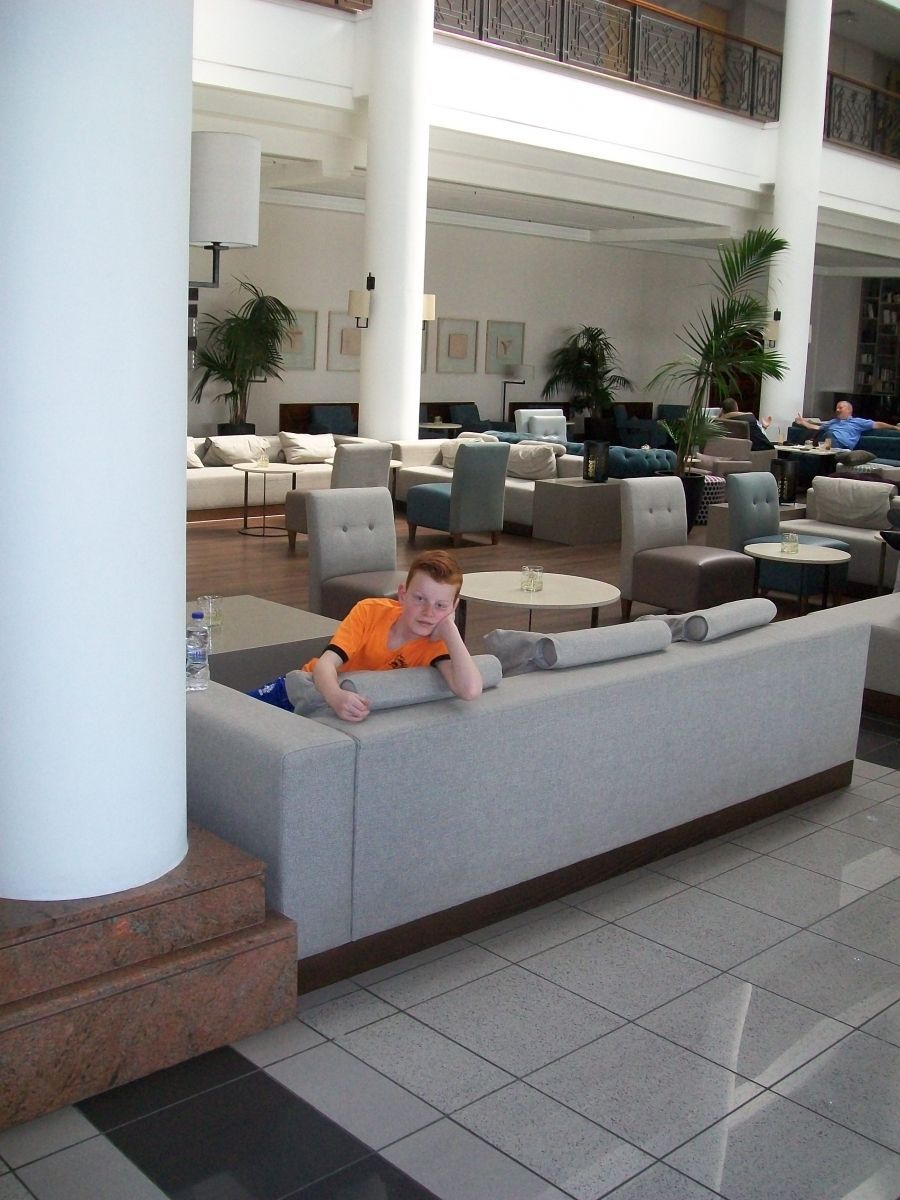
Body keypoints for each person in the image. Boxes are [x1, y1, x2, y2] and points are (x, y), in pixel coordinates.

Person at [249, 549, 482, 722]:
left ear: (454, 606)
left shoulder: (437, 646)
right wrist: (336, 696)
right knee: (231, 718)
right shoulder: (370, 610)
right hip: (301, 689)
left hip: (338, 713)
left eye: (441, 605)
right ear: (403, 594)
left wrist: (450, 628)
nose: (428, 612)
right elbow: (324, 665)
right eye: (419, 599)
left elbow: (470, 690)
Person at [793, 400, 895, 452]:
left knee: (827, 433)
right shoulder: (833, 421)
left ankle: (803, 446)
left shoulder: (857, 422)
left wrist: (895, 427)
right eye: (837, 408)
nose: (837, 410)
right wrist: (803, 422)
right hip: (827, 441)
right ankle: (798, 446)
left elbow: (877, 424)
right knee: (816, 432)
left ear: (849, 410)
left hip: (842, 445)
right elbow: (817, 427)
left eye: (840, 408)